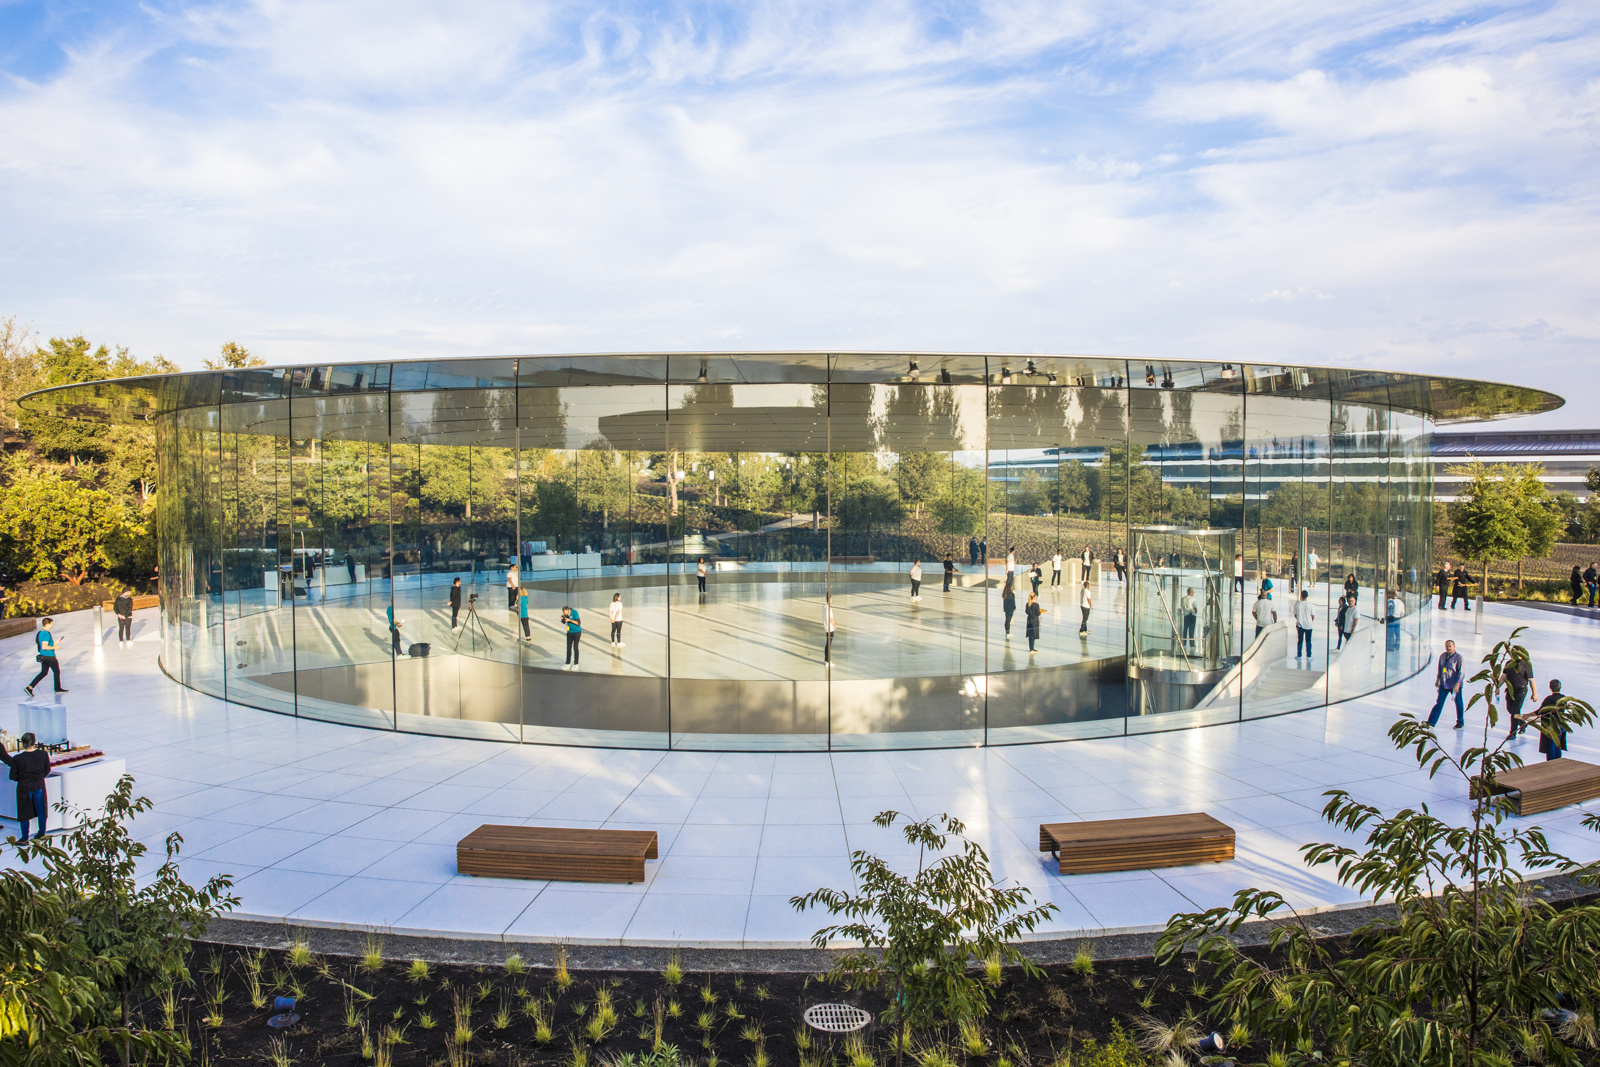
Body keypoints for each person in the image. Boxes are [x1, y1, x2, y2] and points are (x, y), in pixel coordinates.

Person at [0, 732, 51, 842]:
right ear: (34, 742)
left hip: (24, 787)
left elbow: (12, 776)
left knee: (24, 812)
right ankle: (42, 832)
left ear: (22, 743)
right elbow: (47, 770)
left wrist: (23, 779)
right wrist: (39, 777)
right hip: (39, 785)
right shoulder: (43, 754)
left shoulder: (17, 759)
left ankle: (24, 838)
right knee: (41, 809)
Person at [1427, 638, 1465, 729]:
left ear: (1454, 647)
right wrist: (1437, 679)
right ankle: (1431, 722)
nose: (1448, 648)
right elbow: (1440, 668)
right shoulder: (1443, 656)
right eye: (1447, 646)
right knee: (1439, 702)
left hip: (1455, 684)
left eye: (1450, 646)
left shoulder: (1459, 658)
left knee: (1458, 702)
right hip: (1444, 683)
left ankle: (1460, 722)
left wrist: (1457, 684)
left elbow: (1461, 672)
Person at [25, 618, 65, 697]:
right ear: (48, 624)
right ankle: (57, 688)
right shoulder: (46, 634)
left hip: (43, 656)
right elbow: (44, 646)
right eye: (51, 623)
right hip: (49, 656)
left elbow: (44, 644)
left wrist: (55, 643)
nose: (52, 625)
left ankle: (30, 687)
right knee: (56, 671)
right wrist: (56, 647)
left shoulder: (41, 633)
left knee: (43, 673)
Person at [1503, 649, 1537, 740]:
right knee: (1510, 709)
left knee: (1515, 711)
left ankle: (1512, 733)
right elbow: (1503, 676)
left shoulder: (1526, 665)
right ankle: (1522, 723)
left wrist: (1534, 693)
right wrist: (1497, 687)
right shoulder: (1509, 663)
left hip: (1520, 691)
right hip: (1510, 690)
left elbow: (1531, 680)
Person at [1535, 680, 1569, 760]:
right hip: (1560, 725)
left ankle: (1551, 763)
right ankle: (1558, 761)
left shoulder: (1549, 699)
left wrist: (1526, 715)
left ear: (1550, 687)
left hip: (1551, 725)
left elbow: (1540, 711)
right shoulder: (1563, 698)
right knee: (1557, 745)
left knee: (1550, 746)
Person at [1294, 589, 1315, 665]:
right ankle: (1309, 655)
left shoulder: (1298, 604)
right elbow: (1312, 615)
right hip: (1308, 625)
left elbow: (1295, 615)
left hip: (1300, 625)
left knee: (1300, 640)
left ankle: (1299, 655)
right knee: (1308, 640)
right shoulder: (1310, 604)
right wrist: (1309, 620)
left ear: (1301, 595)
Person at [1385, 589, 1404, 654]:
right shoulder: (1400, 602)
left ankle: (1390, 647)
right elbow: (1402, 612)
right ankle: (1397, 647)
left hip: (1390, 618)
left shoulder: (1388, 602)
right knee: (1397, 633)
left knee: (1390, 633)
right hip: (1398, 618)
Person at [1181, 587, 1198, 652]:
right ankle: (1192, 644)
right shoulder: (1192, 599)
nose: (1193, 593)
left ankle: (1184, 643)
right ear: (1191, 592)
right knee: (1191, 631)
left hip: (1185, 615)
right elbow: (1195, 608)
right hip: (1191, 615)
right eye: (1193, 592)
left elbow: (1182, 606)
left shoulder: (1183, 599)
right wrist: (1195, 612)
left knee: (1185, 630)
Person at [823, 594, 835, 667]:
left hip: (826, 627)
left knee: (827, 644)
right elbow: (831, 617)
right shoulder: (829, 608)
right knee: (829, 644)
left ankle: (826, 660)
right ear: (830, 599)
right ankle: (828, 661)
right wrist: (834, 625)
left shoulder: (824, 607)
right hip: (830, 628)